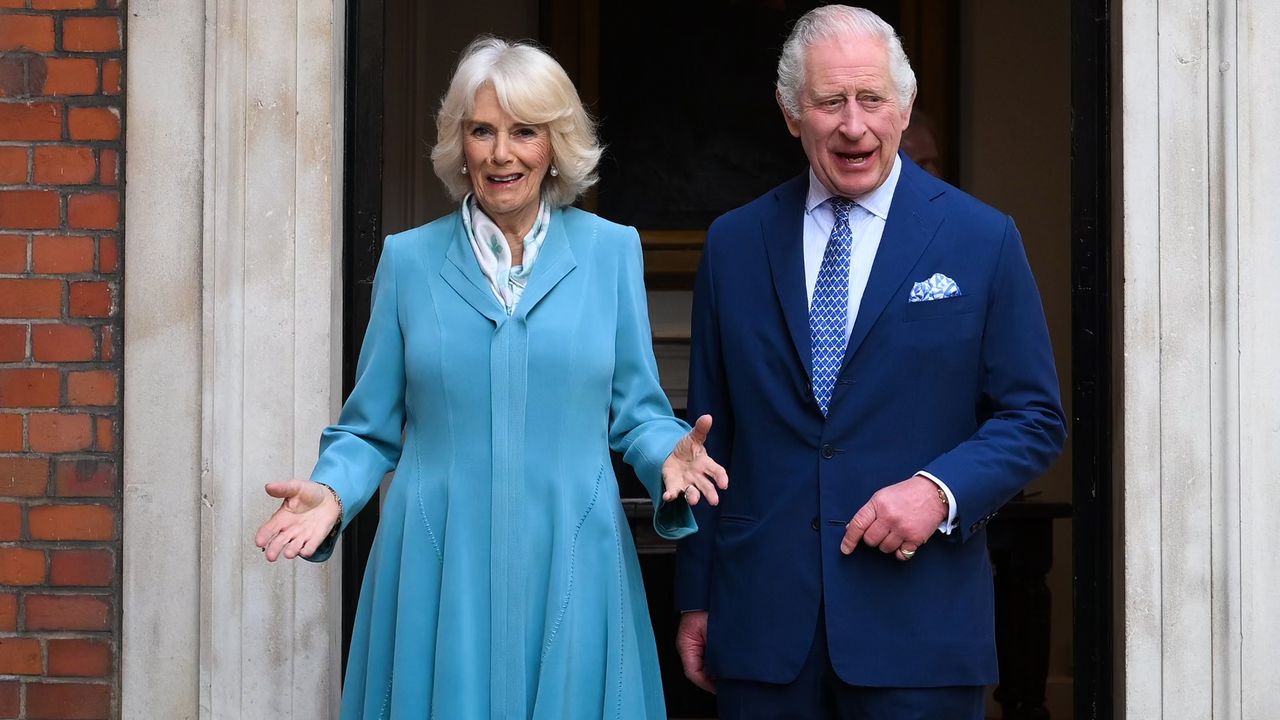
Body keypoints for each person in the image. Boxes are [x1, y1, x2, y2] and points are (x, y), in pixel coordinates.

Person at [254, 36, 727, 719]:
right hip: (436, 562)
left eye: (524, 132)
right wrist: (331, 491)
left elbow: (639, 413)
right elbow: (368, 429)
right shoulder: (408, 262)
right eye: (482, 131)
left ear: (556, 144)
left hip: (574, 552)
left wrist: (666, 456)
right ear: (460, 144)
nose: (501, 153)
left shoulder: (610, 253)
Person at [673, 6, 1066, 719]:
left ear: (904, 105)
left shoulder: (982, 239)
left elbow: (1034, 417)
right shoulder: (734, 245)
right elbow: (708, 439)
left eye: (872, 99)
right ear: (792, 114)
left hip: (920, 630)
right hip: (763, 632)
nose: (854, 124)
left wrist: (938, 491)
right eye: (829, 102)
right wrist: (697, 598)